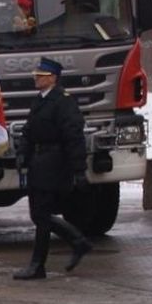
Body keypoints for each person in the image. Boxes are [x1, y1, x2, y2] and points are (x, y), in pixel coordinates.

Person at [12, 57, 92, 280]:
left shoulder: (63, 102)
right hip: (39, 163)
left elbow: (73, 137)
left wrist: (79, 170)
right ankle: (78, 242)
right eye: (36, 75)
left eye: (41, 75)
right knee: (39, 214)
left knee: (41, 214)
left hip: (55, 163)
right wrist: (22, 154)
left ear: (53, 78)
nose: (36, 78)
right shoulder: (40, 100)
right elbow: (29, 131)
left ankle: (38, 265)